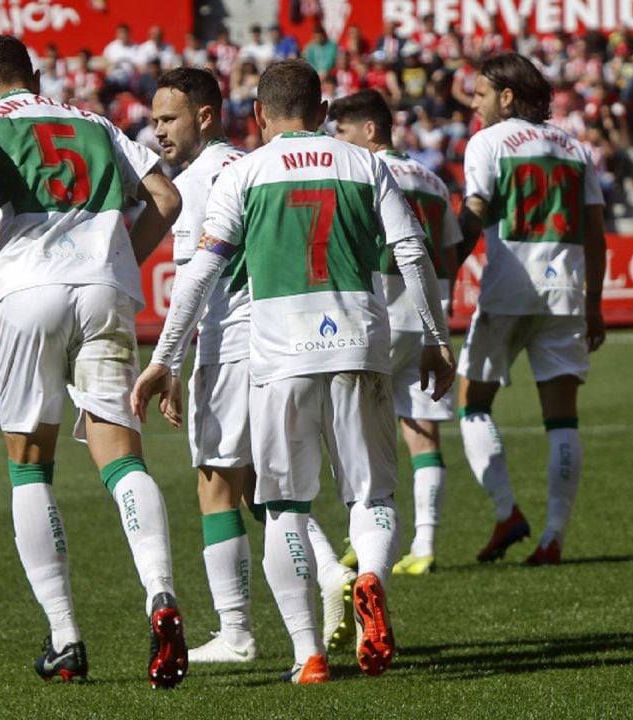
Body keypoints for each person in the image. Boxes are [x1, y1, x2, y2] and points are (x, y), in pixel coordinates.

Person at [133, 59, 456, 684]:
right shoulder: (365, 163)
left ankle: (308, 654)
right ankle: (368, 580)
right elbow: (413, 251)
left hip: (277, 353)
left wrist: (163, 360)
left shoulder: (244, 172)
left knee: (281, 504)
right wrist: (437, 339)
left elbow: (200, 273)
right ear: (322, 109)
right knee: (372, 495)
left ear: (258, 116)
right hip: (359, 342)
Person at [0, 34, 188, 688]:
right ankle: (161, 594)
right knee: (123, 457)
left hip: (28, 289)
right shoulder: (94, 119)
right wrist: (117, 263)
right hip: (105, 289)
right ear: (36, 76)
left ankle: (65, 639)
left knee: (30, 466)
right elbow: (167, 199)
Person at [149, 67, 357, 664]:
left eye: (169, 118)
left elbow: (197, 280)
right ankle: (329, 573)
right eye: (155, 119)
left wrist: (172, 360)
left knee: (216, 484)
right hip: (277, 343)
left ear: (206, 116)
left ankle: (236, 631)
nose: (158, 131)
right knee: (268, 492)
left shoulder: (202, 181)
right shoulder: (252, 164)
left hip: (229, 346)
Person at [455, 52, 607, 566]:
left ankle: (506, 511)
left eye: (478, 95)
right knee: (563, 421)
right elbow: (595, 232)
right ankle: (554, 537)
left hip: (509, 288)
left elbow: (474, 212)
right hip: (566, 290)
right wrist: (595, 304)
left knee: (474, 403)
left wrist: (445, 264)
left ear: (506, 96)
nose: (472, 106)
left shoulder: (487, 142)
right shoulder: (575, 147)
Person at [329, 88, 463, 575]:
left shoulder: (357, 172)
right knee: (424, 433)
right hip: (426, 321)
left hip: (376, 315)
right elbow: (447, 257)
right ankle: (424, 547)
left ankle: (363, 540)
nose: (335, 141)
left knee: (359, 436)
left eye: (341, 132)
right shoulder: (433, 179)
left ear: (370, 131)